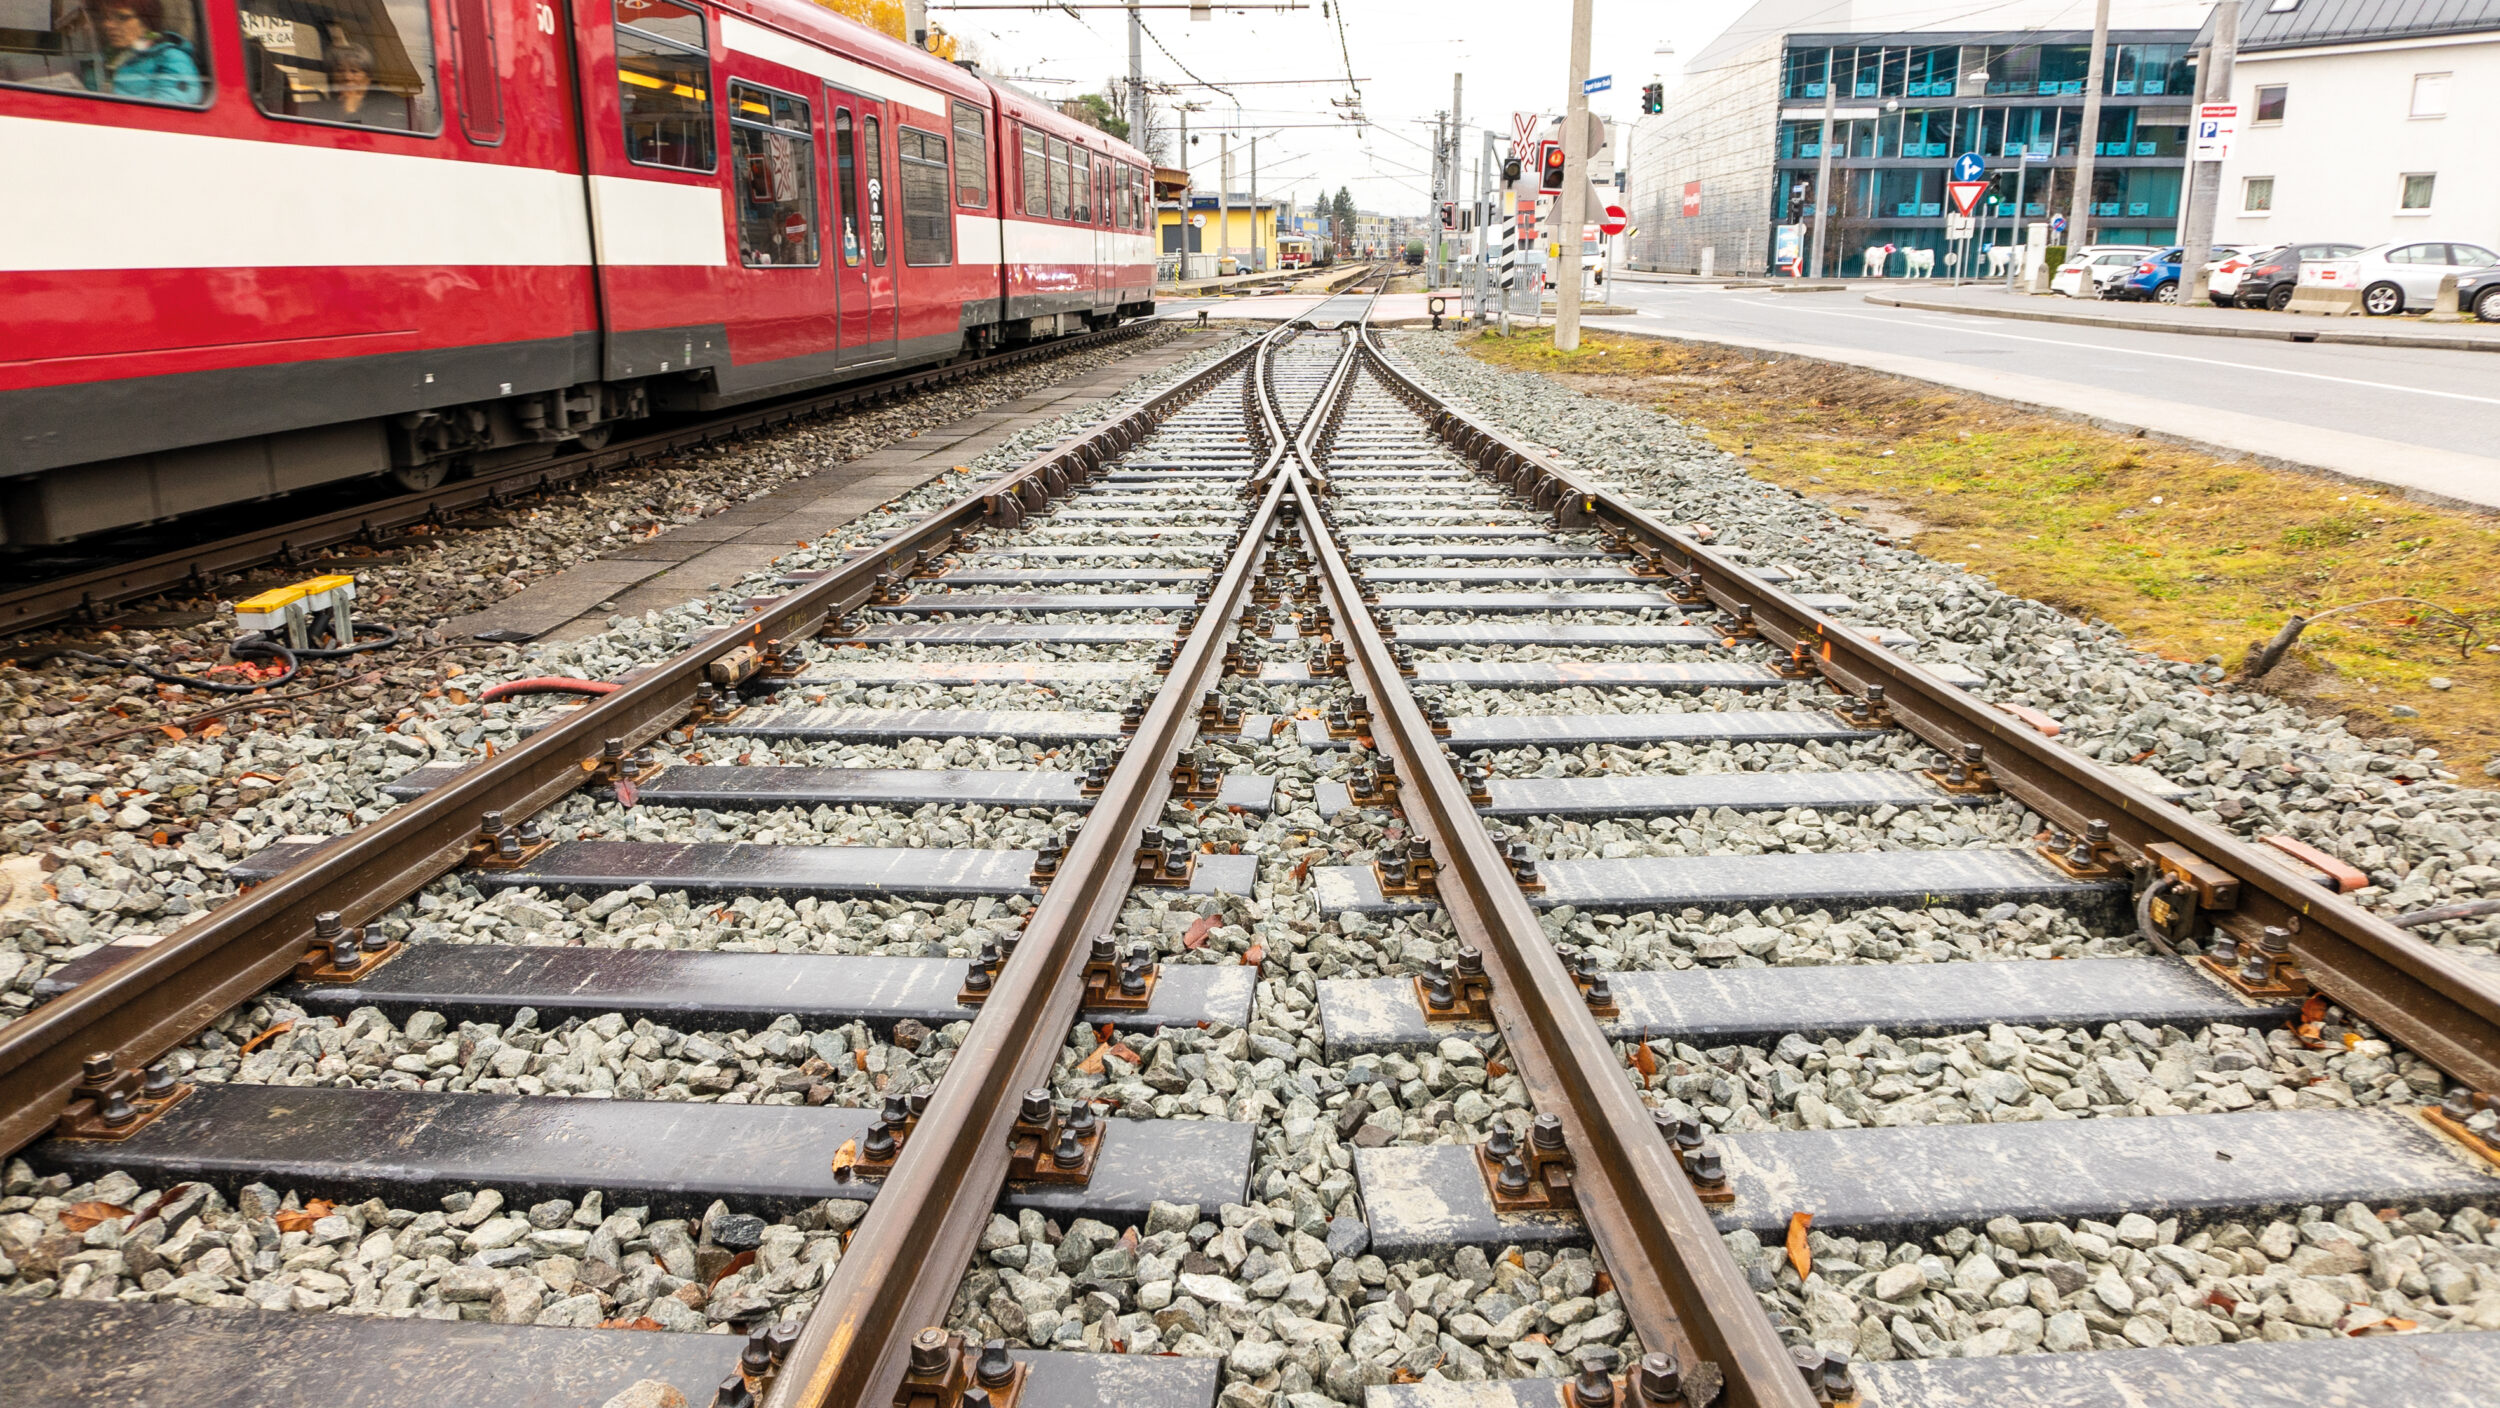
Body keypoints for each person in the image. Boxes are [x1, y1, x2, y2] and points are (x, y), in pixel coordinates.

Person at [89, 0, 201, 104]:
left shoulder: (173, 58)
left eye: (122, 17)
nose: (108, 25)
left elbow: (168, 113)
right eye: (106, 17)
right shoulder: (123, 57)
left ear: (147, 23)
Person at [300, 40, 401, 127]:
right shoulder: (319, 109)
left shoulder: (387, 107)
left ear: (368, 78)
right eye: (340, 71)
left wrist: (350, 110)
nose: (347, 77)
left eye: (354, 71)